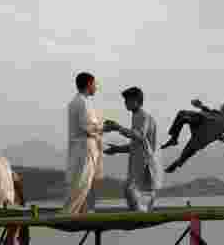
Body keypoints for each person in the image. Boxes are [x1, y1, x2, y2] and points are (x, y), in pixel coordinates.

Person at [104, 86, 162, 212]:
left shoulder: (143, 116)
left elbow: (139, 136)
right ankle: (143, 212)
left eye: (128, 100)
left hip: (145, 163)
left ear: (137, 100)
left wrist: (117, 127)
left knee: (131, 190)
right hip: (139, 162)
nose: (125, 103)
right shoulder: (136, 116)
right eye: (125, 101)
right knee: (132, 191)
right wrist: (117, 149)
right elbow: (136, 145)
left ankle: (143, 213)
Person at [161, 98, 224, 175]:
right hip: (205, 121)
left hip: (210, 131)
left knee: (192, 146)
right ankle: (174, 140)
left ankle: (178, 161)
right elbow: (209, 111)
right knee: (182, 114)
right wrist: (200, 105)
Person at [65, 72, 107, 214]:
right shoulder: (83, 102)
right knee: (83, 180)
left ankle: (82, 209)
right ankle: (71, 212)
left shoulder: (76, 102)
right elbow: (89, 126)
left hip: (81, 145)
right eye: (94, 84)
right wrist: (106, 127)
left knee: (82, 180)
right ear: (89, 84)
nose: (96, 87)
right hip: (86, 145)